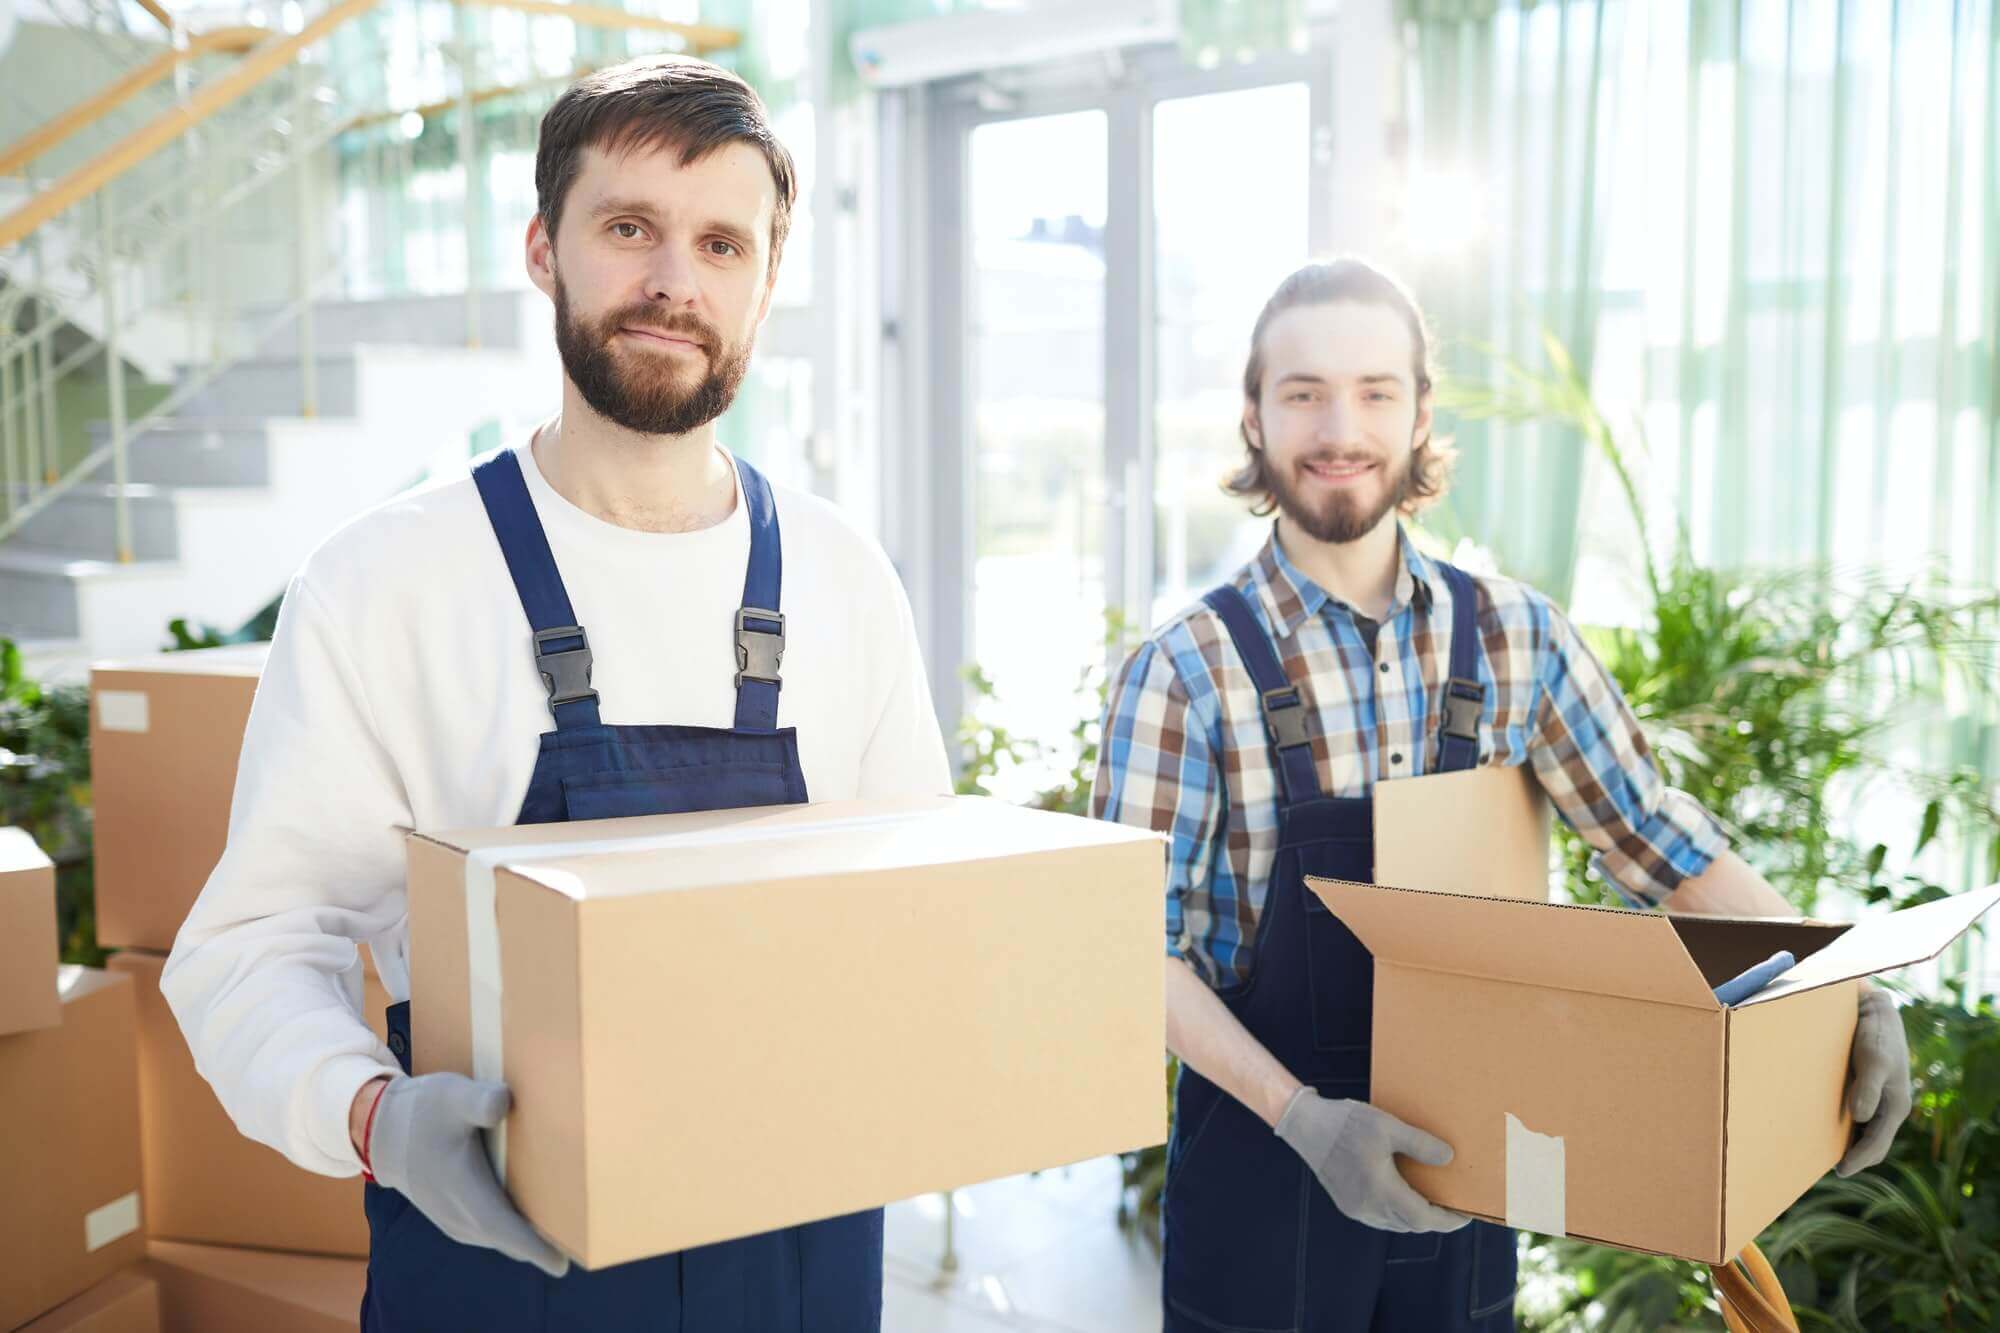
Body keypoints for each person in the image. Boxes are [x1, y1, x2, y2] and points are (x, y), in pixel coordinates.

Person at [163, 53, 949, 1331]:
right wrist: (371, 1115)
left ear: (764, 282)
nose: (672, 282)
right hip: (501, 1256)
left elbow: (915, 917)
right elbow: (249, 949)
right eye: (627, 227)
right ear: (544, 249)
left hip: (797, 1255)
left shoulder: (842, 579)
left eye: (720, 244)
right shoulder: (383, 583)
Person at [1091, 257, 1912, 1332]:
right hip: (1263, 1174)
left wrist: (1834, 984)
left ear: (1421, 410)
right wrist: (1301, 1118)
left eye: (1375, 390)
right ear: (1253, 415)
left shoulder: (1513, 637)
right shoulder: (1185, 670)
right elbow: (1122, 946)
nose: (1340, 427)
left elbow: (1654, 841)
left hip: (1471, 1177)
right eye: (1302, 393)